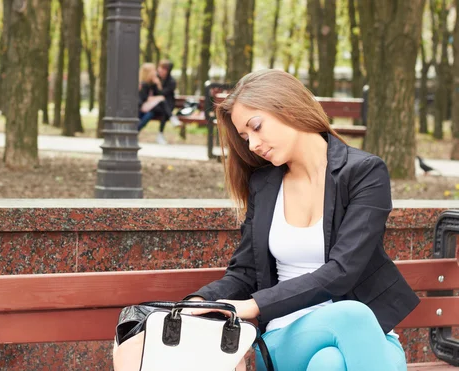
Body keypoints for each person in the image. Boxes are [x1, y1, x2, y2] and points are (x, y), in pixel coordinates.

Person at [180, 69, 420, 370]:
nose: (252, 144)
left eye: (256, 127)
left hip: (369, 338)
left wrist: (252, 306)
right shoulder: (264, 186)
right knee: (352, 316)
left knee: (330, 362)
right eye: (245, 137)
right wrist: (202, 301)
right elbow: (245, 272)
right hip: (287, 335)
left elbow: (343, 271)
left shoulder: (364, 174)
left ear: (288, 107)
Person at [137, 63, 180, 144]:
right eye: (153, 71)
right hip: (143, 107)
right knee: (161, 101)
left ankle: (137, 131)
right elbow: (144, 98)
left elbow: (159, 93)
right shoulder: (143, 84)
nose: (155, 72)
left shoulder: (154, 83)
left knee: (158, 112)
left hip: (152, 108)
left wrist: (158, 84)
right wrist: (157, 98)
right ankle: (172, 118)